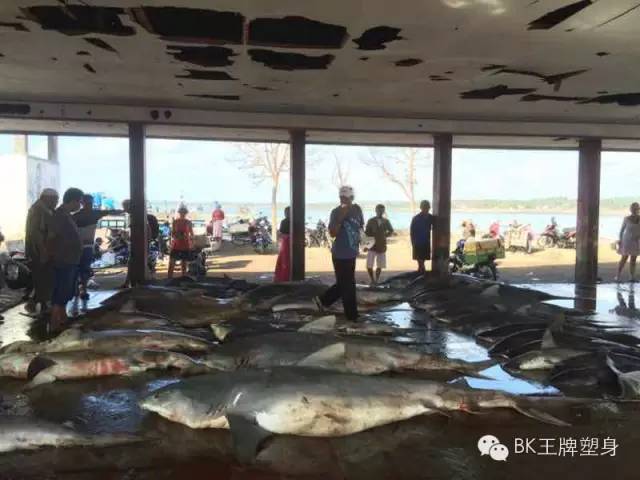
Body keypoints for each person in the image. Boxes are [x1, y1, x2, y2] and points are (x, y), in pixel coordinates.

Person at [314, 186, 364, 321]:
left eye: (346, 198)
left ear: (352, 197)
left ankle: (323, 300)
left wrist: (364, 242)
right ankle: (352, 316)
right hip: (340, 253)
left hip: (352, 252)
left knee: (344, 283)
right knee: (348, 285)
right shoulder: (335, 212)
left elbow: (360, 228)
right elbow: (332, 233)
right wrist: (342, 216)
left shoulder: (357, 210)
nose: (344, 200)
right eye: (341, 197)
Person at [72, 194, 123, 299]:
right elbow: (111, 212)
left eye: (90, 203)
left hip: (80, 246)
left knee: (79, 268)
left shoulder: (76, 216)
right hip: (83, 246)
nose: (89, 205)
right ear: (83, 203)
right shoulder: (93, 214)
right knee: (83, 269)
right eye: (88, 202)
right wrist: (126, 210)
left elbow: (111, 212)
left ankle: (78, 290)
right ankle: (82, 290)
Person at [48, 188, 83, 331]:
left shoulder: (66, 215)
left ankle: (63, 317)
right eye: (79, 202)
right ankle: (54, 323)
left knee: (66, 290)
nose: (80, 205)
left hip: (69, 259)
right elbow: (51, 237)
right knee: (61, 291)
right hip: (63, 259)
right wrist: (54, 255)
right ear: (73, 201)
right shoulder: (60, 216)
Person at [24, 188, 59, 312]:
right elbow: (36, 233)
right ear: (47, 198)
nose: (56, 202)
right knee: (42, 278)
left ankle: (38, 303)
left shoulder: (45, 209)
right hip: (39, 251)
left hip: (44, 250)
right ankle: (37, 303)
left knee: (45, 277)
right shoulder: (38, 210)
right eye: (55, 200)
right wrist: (43, 251)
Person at [121, 199, 151, 288]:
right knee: (132, 263)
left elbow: (146, 229)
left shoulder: (136, 216)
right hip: (136, 242)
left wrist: (146, 242)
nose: (124, 209)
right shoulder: (134, 216)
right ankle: (129, 282)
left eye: (125, 207)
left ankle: (132, 283)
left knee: (134, 263)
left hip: (139, 243)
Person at [364, 204, 394, 285]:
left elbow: (391, 230)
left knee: (380, 265)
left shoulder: (386, 221)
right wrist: (366, 245)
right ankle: (372, 280)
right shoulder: (371, 221)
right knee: (369, 265)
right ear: (376, 210)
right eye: (379, 210)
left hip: (381, 246)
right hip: (372, 245)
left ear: (383, 211)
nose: (380, 212)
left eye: (382, 210)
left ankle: (376, 280)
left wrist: (385, 236)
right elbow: (367, 233)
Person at [616, 202, 640, 282]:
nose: (635, 210)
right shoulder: (626, 218)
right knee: (624, 258)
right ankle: (617, 276)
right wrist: (620, 240)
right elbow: (622, 230)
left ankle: (631, 277)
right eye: (633, 208)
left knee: (633, 259)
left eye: (636, 208)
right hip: (627, 241)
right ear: (631, 209)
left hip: (636, 241)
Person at [168, 205, 194, 279]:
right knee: (171, 263)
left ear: (186, 213)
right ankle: (169, 279)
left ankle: (183, 278)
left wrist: (191, 243)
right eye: (181, 212)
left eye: (184, 212)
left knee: (184, 264)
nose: (182, 213)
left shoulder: (188, 222)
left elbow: (192, 234)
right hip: (176, 245)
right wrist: (177, 235)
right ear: (179, 213)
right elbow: (172, 234)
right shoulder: (175, 222)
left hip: (185, 245)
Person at [410, 200, 433, 273]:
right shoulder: (416, 218)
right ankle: (422, 272)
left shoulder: (431, 218)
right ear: (421, 208)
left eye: (427, 207)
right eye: (424, 207)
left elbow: (436, 227)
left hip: (426, 242)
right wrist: (413, 242)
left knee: (422, 260)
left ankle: (421, 272)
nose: (426, 209)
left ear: (429, 208)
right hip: (418, 242)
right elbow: (412, 232)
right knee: (420, 261)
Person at [274, 206, 291, 282]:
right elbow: (281, 233)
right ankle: (284, 276)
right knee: (285, 261)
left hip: (286, 243)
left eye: (287, 212)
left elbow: (281, 233)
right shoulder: (285, 221)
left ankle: (283, 277)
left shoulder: (284, 221)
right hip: (287, 243)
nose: (286, 214)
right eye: (286, 212)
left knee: (284, 261)